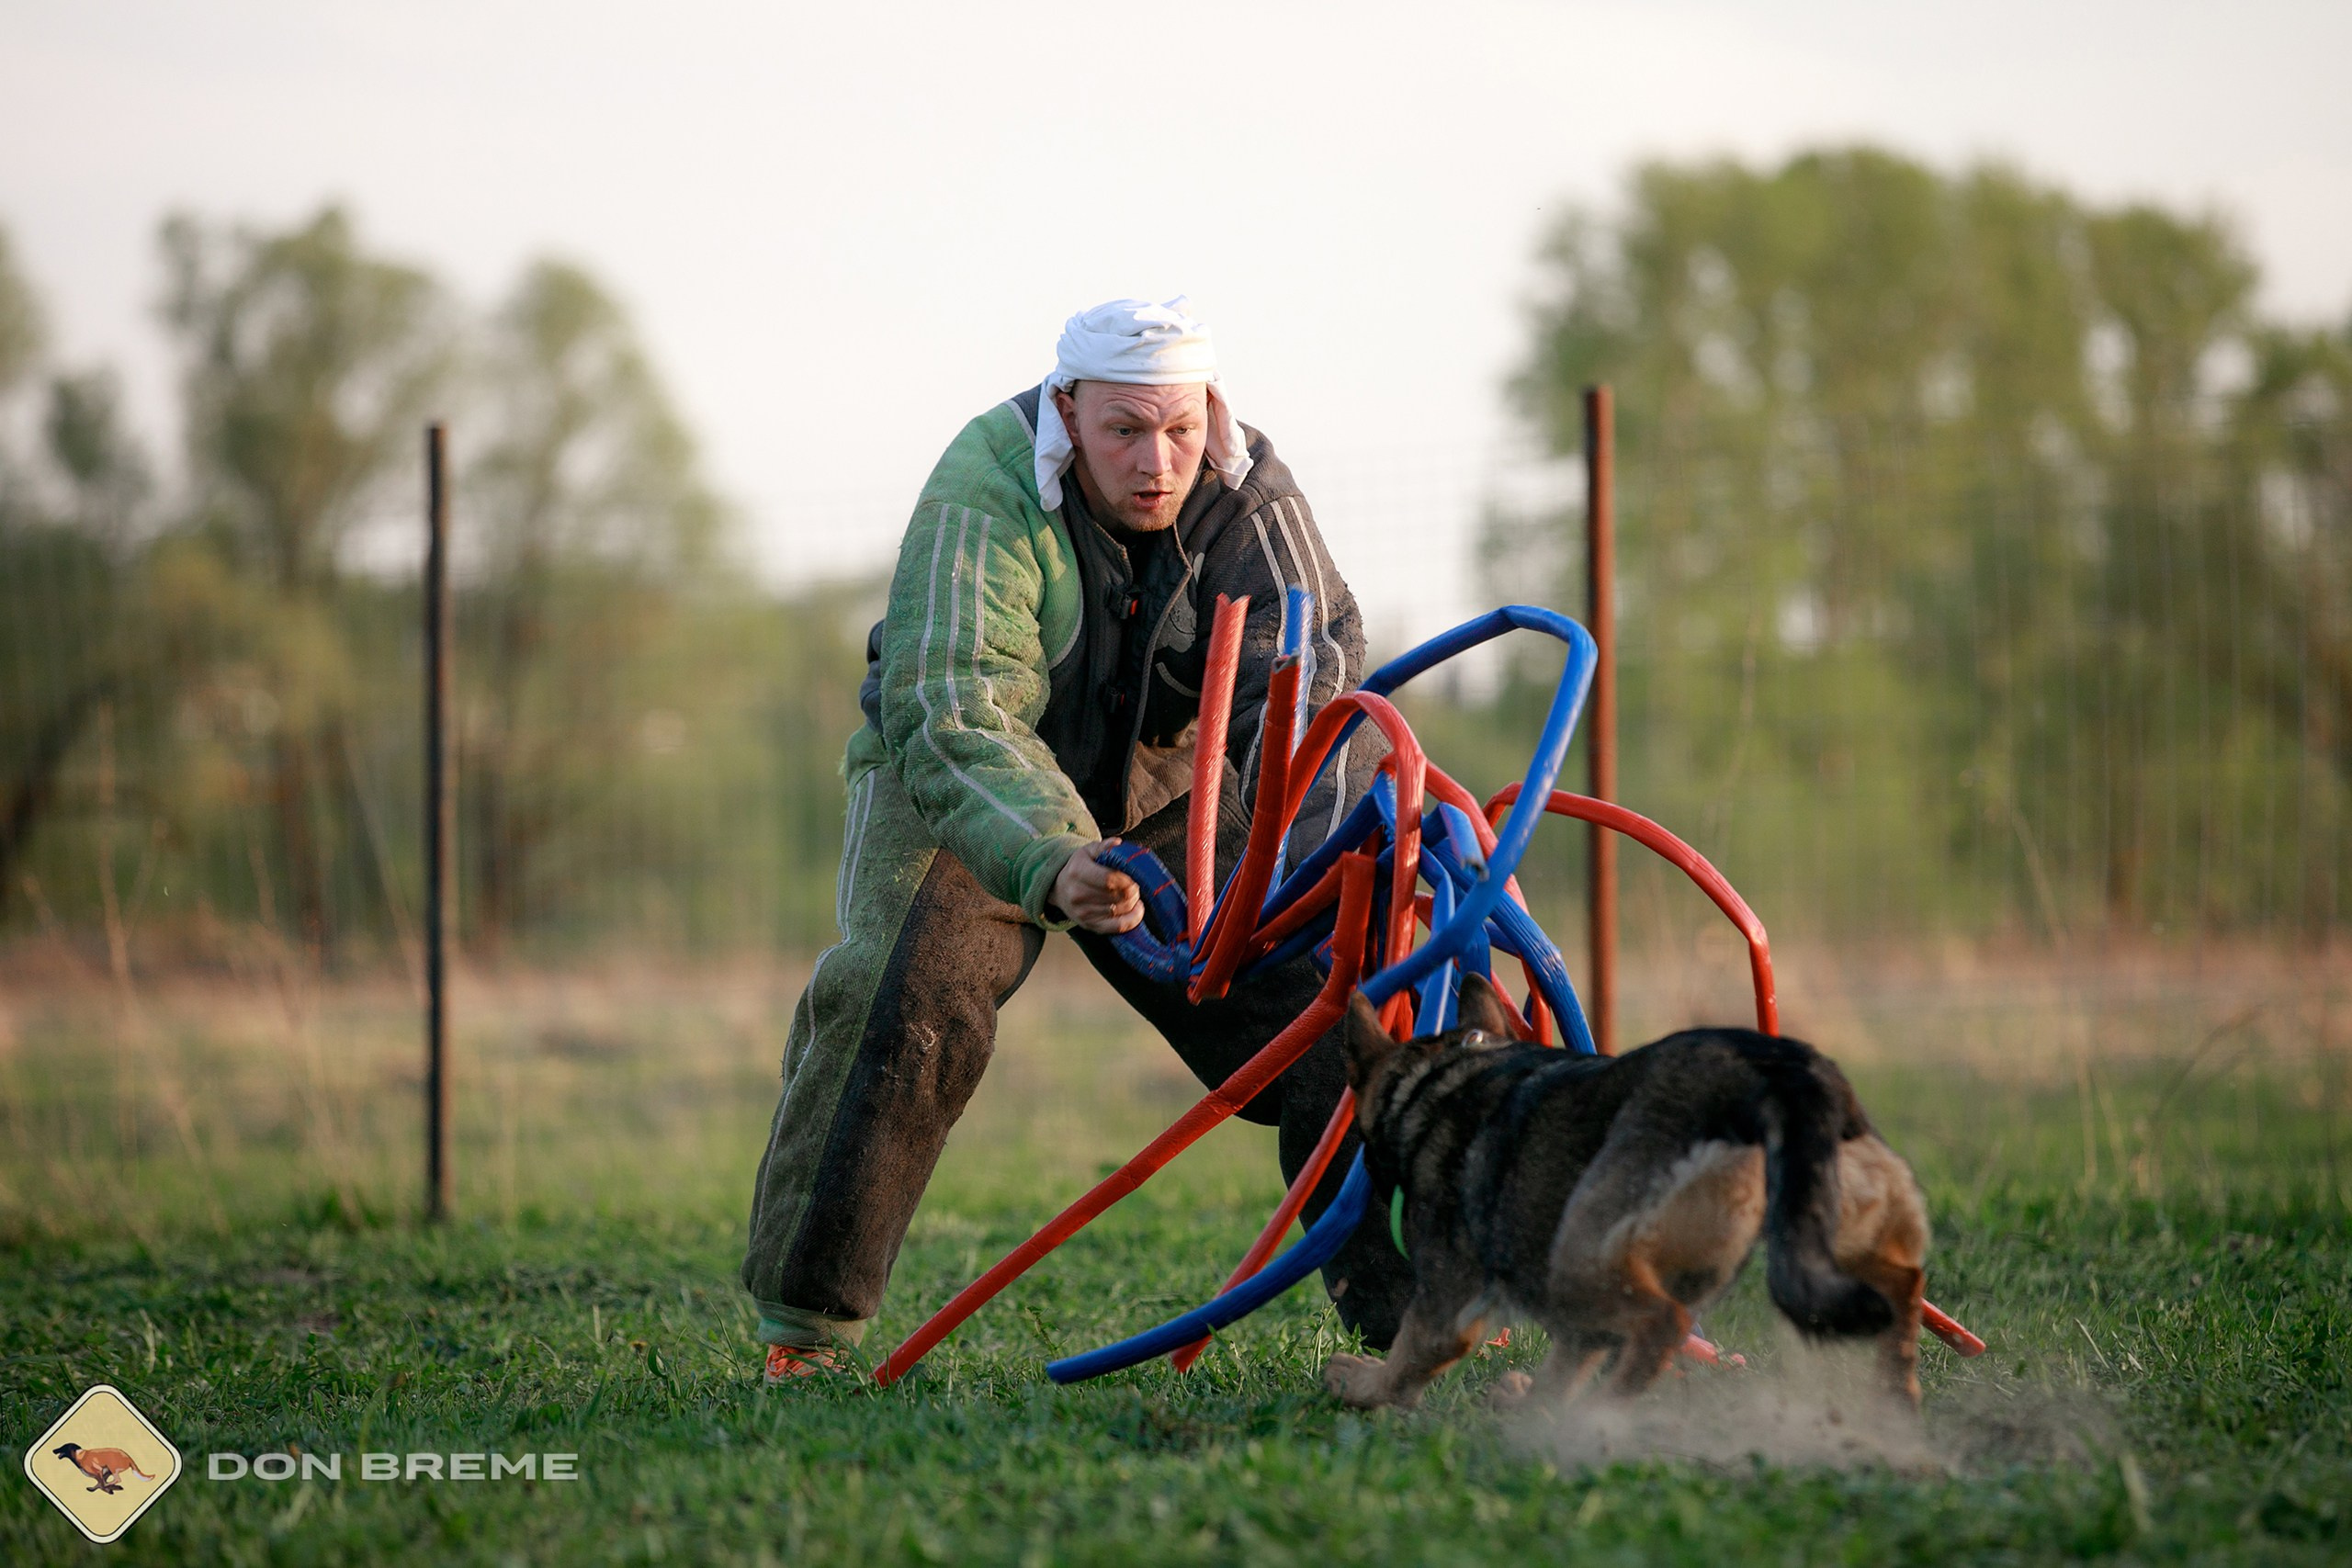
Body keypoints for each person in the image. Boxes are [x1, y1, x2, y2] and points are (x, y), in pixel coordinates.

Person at [742, 298, 1412, 1382]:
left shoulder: (1251, 494)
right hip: (965, 790)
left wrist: (1310, 866)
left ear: (1214, 413)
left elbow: (1316, 671)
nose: (1159, 461)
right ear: (1068, 410)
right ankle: (806, 1337)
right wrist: (1055, 860)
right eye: (1124, 430)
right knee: (908, 994)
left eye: (1181, 430)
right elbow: (953, 706)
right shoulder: (987, 485)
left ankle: (1415, 1331)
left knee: (1342, 1015)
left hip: (1164, 790)